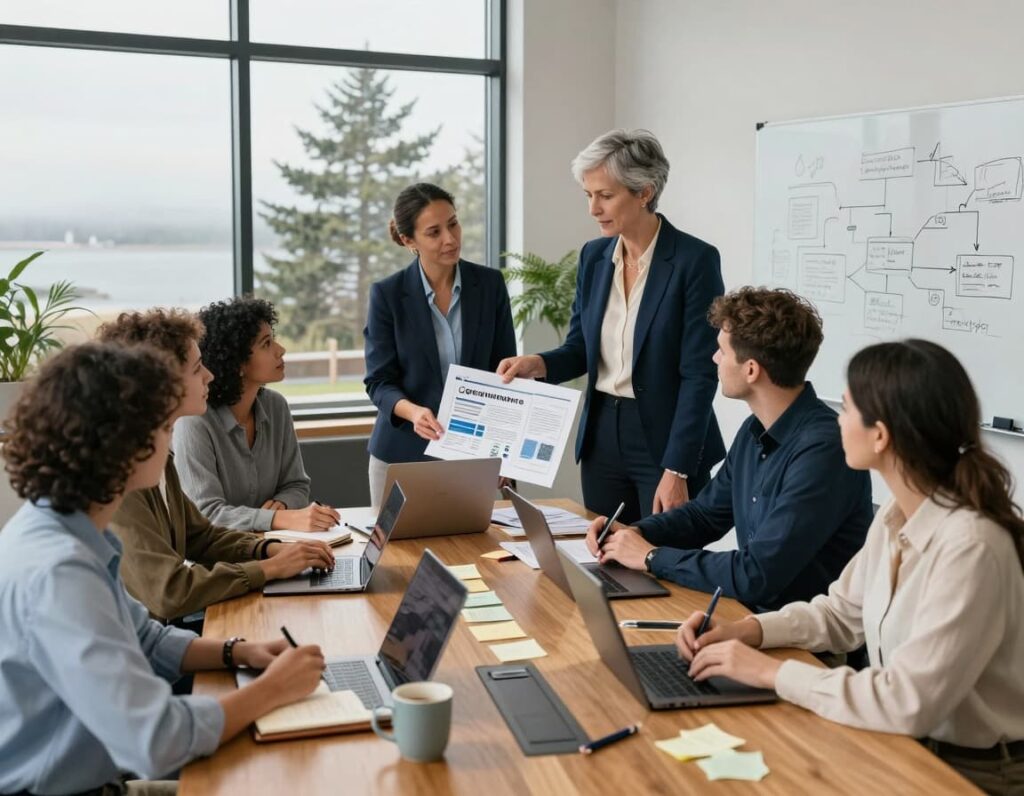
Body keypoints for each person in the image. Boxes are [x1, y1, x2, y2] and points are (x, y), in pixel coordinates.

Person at [676, 340, 1024, 795]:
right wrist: (747, 631)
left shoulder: (971, 547)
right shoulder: (896, 515)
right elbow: (839, 615)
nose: (836, 419)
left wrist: (769, 673)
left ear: (880, 436)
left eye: (846, 407)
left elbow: (907, 702)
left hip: (970, 774)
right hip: (905, 746)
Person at [0, 342, 326, 795]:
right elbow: (156, 740)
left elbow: (146, 638)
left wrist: (239, 651)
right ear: (125, 445)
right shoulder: (61, 572)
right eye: (166, 427)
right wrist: (273, 689)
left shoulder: (69, 530)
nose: (171, 439)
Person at [585, 287, 873, 612]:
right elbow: (704, 516)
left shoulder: (824, 450)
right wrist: (633, 532)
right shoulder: (755, 430)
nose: (714, 358)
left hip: (801, 633)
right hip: (752, 618)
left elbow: (756, 574)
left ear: (751, 370)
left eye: (722, 350)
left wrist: (651, 557)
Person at [497, 129, 725, 522]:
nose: (593, 208)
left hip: (665, 441)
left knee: (664, 551)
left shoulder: (694, 260)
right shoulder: (594, 256)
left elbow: (700, 374)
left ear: (644, 192)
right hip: (602, 436)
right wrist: (538, 364)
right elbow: (579, 348)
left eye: (605, 195)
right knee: (602, 548)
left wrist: (678, 469)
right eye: (588, 195)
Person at [99, 309, 336, 623]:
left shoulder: (155, 456)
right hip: (143, 642)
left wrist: (269, 549)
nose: (209, 375)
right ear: (160, 385)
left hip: (158, 635)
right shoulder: (118, 477)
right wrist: (269, 568)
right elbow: (170, 592)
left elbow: (202, 537)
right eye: (198, 368)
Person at [363, 183, 516, 508]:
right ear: (409, 240)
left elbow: (504, 373)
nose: (450, 239)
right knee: (397, 545)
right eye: (434, 232)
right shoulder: (387, 295)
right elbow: (379, 382)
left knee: (476, 542)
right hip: (401, 456)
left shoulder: (490, 285)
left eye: (453, 224)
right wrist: (414, 412)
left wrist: (504, 450)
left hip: (474, 456)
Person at [174, 296, 340, 531]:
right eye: (266, 344)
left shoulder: (276, 406)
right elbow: (205, 514)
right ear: (237, 362)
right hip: (219, 554)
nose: (281, 350)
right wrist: (275, 519)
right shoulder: (194, 421)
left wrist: (283, 505)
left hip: (271, 545)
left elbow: (296, 485)